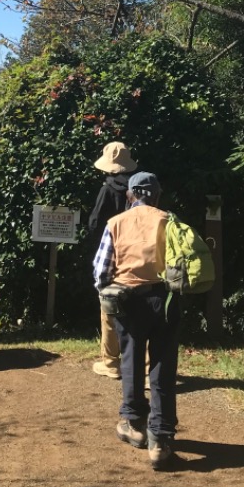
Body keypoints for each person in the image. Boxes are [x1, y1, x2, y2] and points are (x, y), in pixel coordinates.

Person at [93, 171, 180, 470]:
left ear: (130, 194)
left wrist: (109, 289)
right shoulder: (169, 221)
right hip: (165, 300)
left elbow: (100, 271)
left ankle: (134, 424)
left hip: (128, 301)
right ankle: (161, 439)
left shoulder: (116, 223)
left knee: (130, 362)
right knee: (162, 367)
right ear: (156, 195)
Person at [88, 141, 138, 380]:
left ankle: (110, 363)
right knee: (141, 307)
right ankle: (146, 368)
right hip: (138, 254)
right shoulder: (140, 187)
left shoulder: (107, 189)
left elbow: (95, 223)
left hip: (113, 252)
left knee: (108, 306)